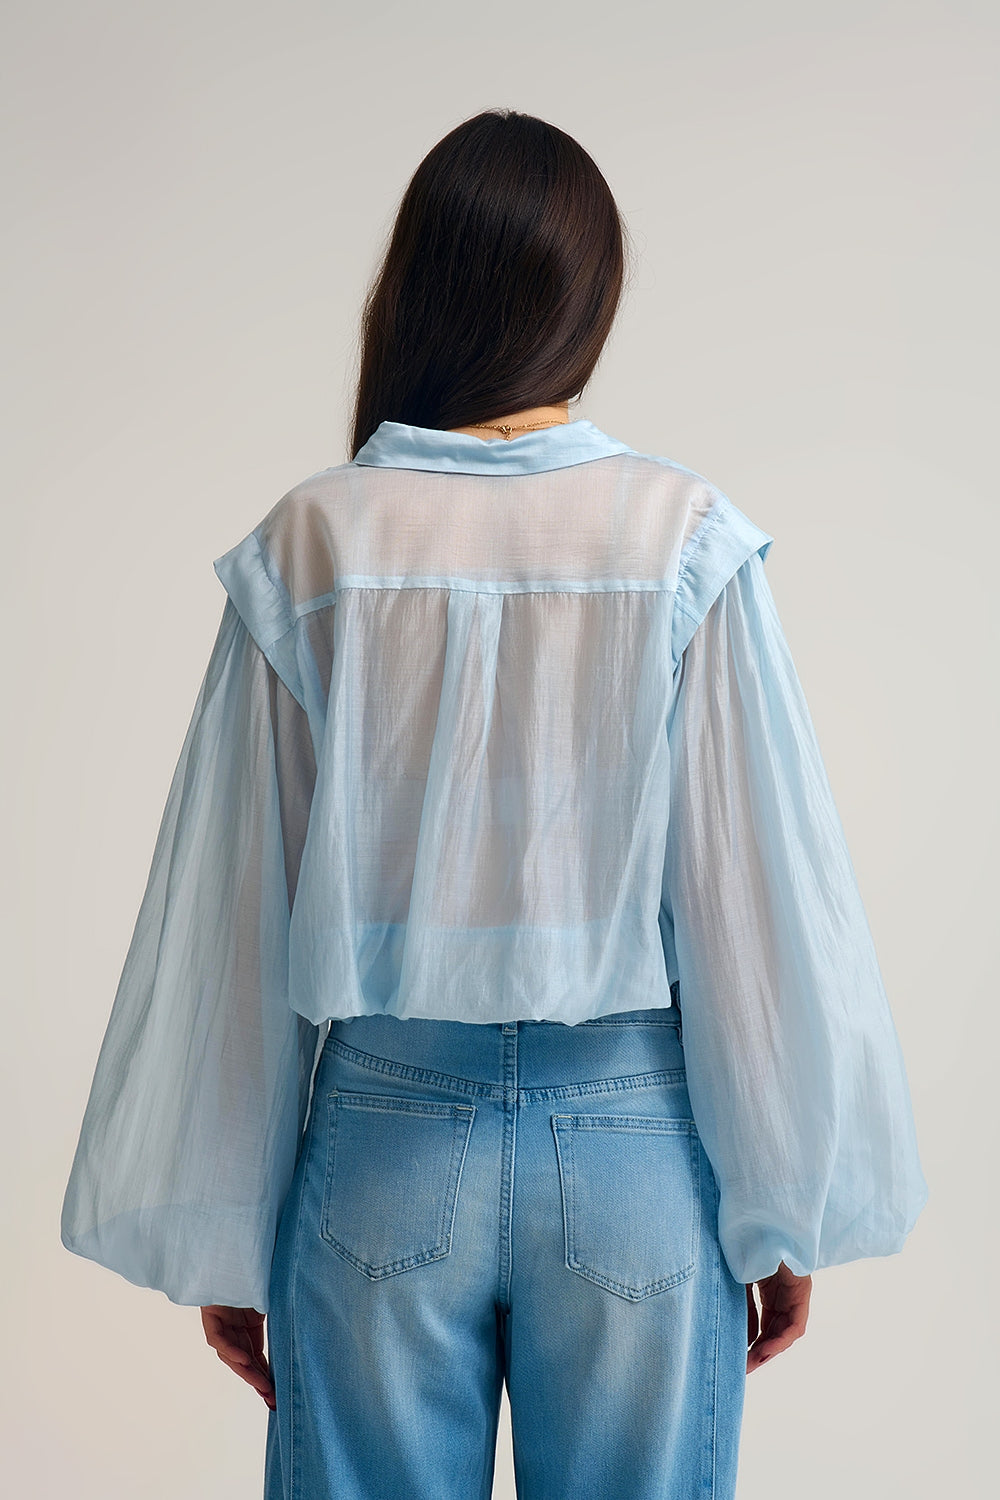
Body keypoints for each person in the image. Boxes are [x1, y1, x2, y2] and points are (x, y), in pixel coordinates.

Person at [60, 108, 928, 1500]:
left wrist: (229, 1228)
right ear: (590, 300)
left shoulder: (316, 539)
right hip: (638, 1153)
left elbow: (235, 905)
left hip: (383, 1147)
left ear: (416, 284)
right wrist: (784, 1194)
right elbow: (752, 892)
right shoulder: (683, 537)